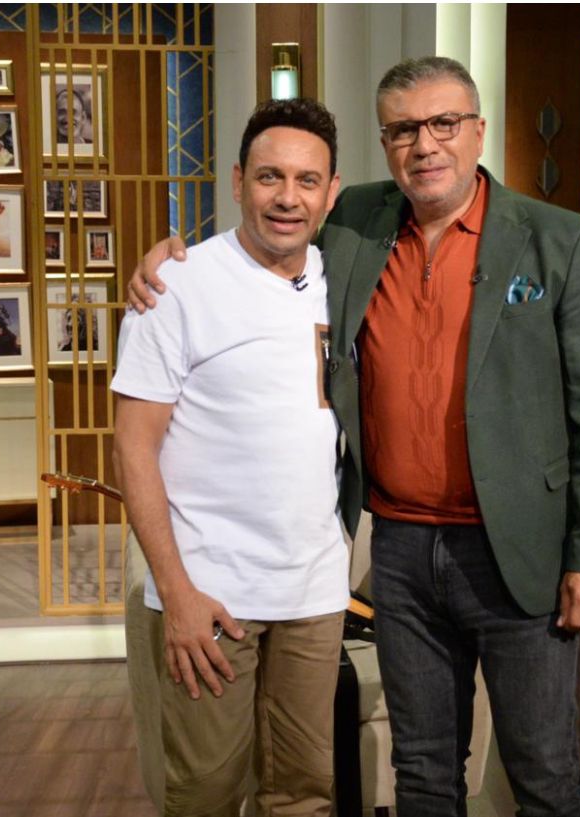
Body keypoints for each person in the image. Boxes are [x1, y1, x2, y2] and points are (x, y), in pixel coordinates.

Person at [128, 56, 580, 816]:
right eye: (403, 130)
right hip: (399, 552)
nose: (424, 145)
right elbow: (267, 225)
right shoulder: (357, 222)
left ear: (478, 131)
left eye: (444, 124)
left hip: (517, 552)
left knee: (545, 773)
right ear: (384, 144)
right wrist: (169, 260)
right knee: (422, 771)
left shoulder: (559, 240)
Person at [112, 97, 346, 817]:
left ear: (332, 192)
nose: (288, 197)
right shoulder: (177, 286)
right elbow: (134, 446)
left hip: (313, 590)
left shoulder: (345, 277)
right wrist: (176, 591)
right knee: (206, 793)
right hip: (210, 593)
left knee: (305, 792)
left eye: (308, 180)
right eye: (270, 176)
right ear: (239, 180)